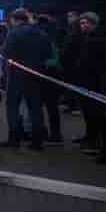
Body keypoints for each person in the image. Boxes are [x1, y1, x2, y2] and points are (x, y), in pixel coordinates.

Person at [63, 12, 106, 162]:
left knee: (97, 115)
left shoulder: (100, 40)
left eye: (87, 23)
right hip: (82, 81)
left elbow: (99, 63)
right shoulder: (83, 38)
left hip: (95, 83)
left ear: (94, 24)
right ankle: (91, 138)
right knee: (87, 112)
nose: (83, 26)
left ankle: (100, 144)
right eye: (81, 23)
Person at [0, 9, 50, 150]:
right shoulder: (41, 33)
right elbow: (48, 53)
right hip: (36, 75)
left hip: (16, 75)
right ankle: (37, 141)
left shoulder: (14, 33)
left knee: (12, 106)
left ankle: (14, 139)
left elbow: (4, 52)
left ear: (15, 20)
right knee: (35, 107)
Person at [35, 14, 64, 144]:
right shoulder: (54, 36)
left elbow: (54, 59)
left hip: (46, 75)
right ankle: (54, 134)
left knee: (43, 106)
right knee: (52, 107)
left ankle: (46, 133)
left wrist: (41, 64)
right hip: (52, 76)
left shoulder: (45, 37)